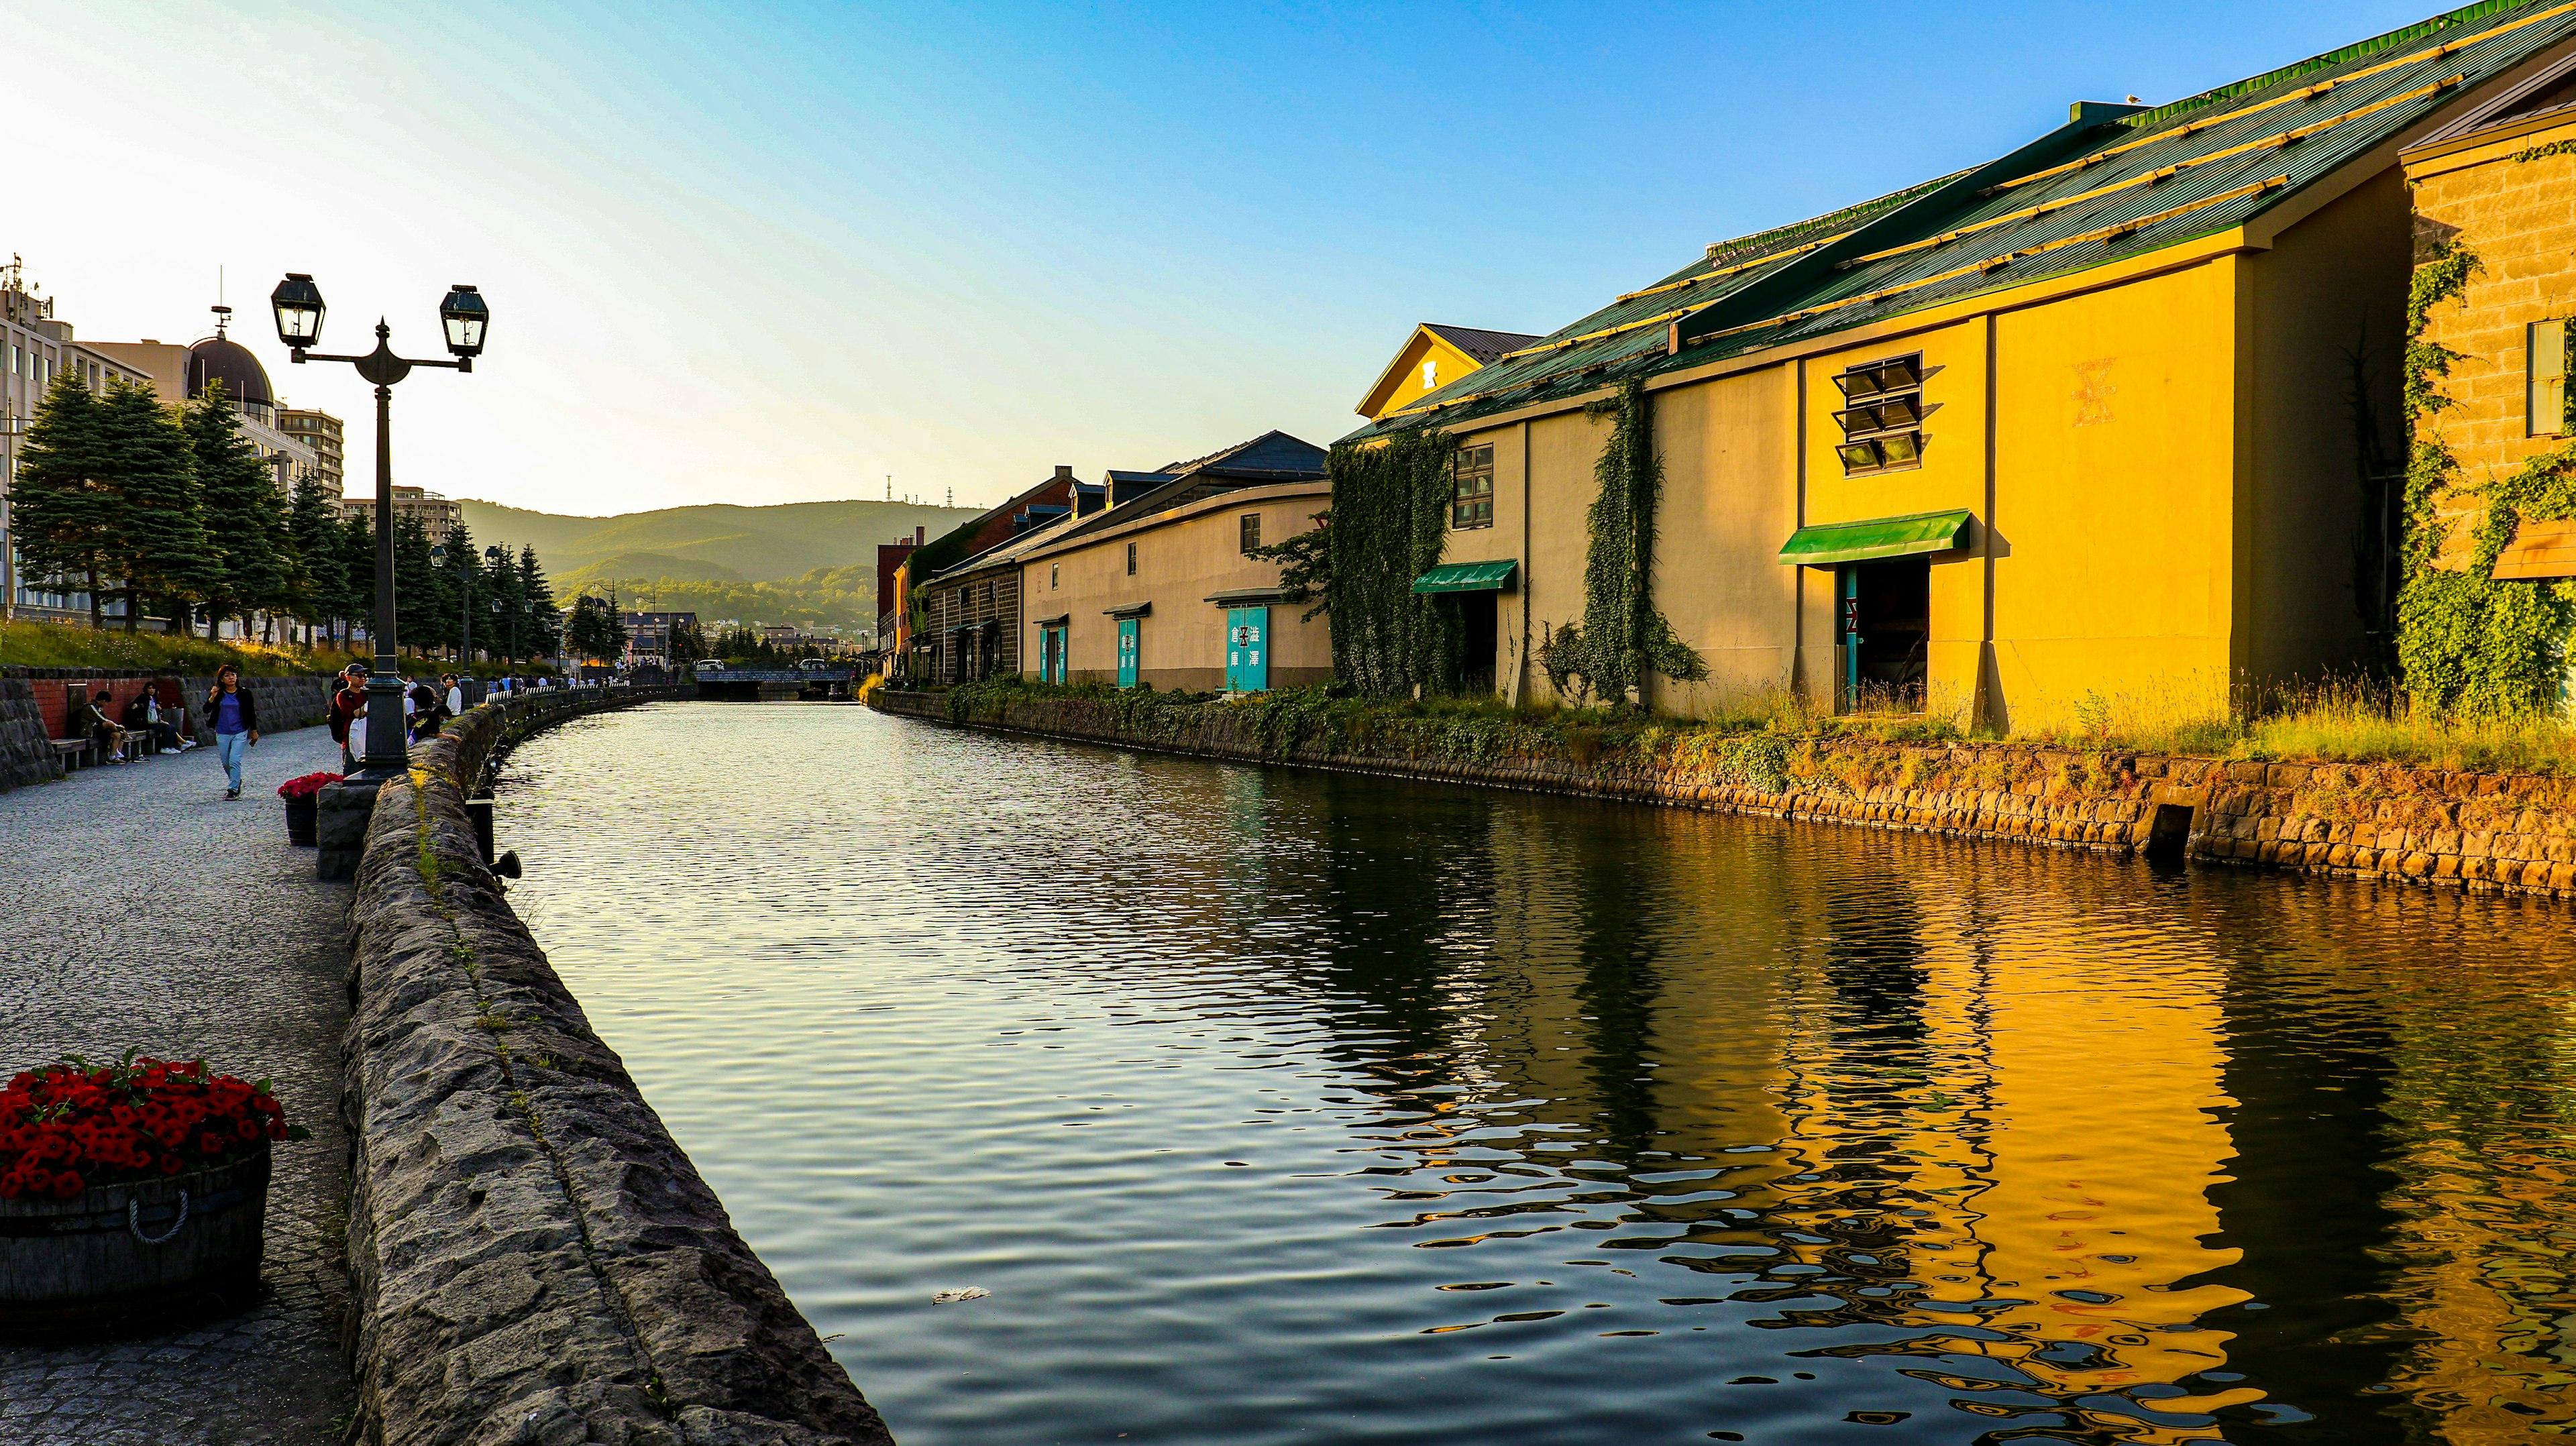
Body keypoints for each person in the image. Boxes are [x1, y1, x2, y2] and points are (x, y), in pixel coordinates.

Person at [205, 665, 259, 799]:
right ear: (222, 679)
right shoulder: (219, 694)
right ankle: (236, 779)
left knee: (235, 760)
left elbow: (251, 713)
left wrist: (254, 731)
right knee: (225, 762)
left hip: (239, 731)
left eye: (233, 675)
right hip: (222, 731)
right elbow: (206, 709)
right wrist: (212, 697)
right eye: (227, 676)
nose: (231, 678)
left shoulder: (245, 693)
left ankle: (233, 789)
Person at [329, 666, 368, 773]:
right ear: (348, 678)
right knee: (352, 775)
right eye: (359, 675)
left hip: (367, 740)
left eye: (364, 676)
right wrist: (368, 707)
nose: (363, 678)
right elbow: (352, 714)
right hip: (351, 741)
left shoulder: (366, 694)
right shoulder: (343, 695)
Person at [81, 686, 127, 765]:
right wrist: (119, 727)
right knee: (111, 725)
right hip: (89, 729)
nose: (106, 704)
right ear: (103, 701)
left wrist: (119, 729)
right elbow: (102, 719)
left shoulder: (99, 707)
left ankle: (113, 757)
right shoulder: (90, 707)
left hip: (98, 729)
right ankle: (121, 741)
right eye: (106, 702)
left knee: (117, 735)